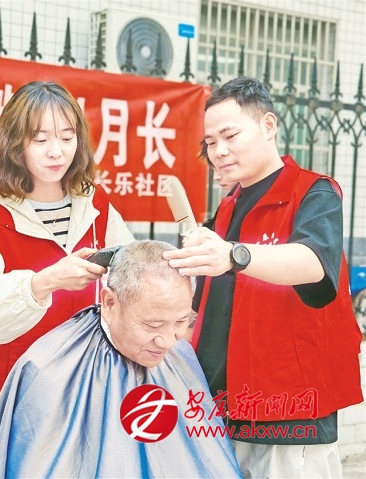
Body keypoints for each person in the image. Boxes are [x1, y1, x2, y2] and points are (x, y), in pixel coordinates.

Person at [163, 76, 363, 478]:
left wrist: (234, 255)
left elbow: (313, 262)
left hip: (289, 413)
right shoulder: (229, 205)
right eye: (210, 142)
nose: (219, 150)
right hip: (221, 406)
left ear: (268, 125)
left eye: (230, 135)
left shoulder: (313, 192)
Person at [0, 240, 242, 478]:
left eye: (181, 321)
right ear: (110, 303)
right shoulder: (48, 369)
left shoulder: (181, 356)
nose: (168, 341)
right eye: (152, 325)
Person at [0, 81, 134, 413]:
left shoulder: (96, 206)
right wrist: (43, 282)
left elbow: (131, 272)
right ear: (14, 143)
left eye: (67, 137)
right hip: (22, 394)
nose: (56, 151)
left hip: (90, 385)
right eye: (40, 139)